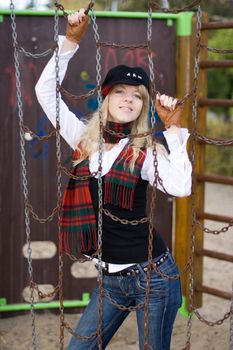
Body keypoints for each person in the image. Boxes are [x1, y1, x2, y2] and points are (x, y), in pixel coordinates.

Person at [35, 9, 192, 350]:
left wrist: (175, 130)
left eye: (137, 95)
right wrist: (72, 41)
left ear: (143, 105)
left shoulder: (145, 151)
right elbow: (45, 93)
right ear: (106, 98)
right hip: (111, 281)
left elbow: (182, 187)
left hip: (153, 278)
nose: (128, 99)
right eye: (120, 91)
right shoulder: (84, 139)